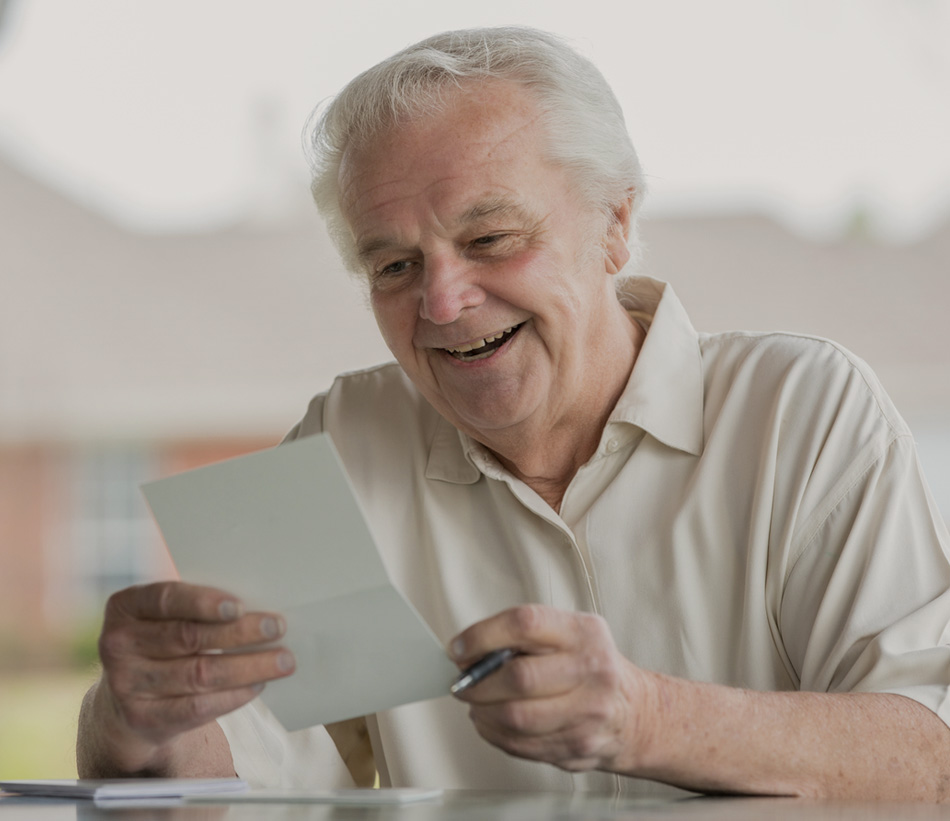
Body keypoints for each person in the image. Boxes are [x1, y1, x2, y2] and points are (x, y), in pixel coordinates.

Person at [76, 27, 950, 800]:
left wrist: (651, 720)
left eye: (491, 239)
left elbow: (928, 757)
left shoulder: (803, 410)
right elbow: (240, 776)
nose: (443, 302)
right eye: (393, 267)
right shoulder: (343, 440)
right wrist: (133, 718)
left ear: (614, 223)